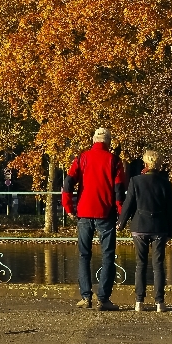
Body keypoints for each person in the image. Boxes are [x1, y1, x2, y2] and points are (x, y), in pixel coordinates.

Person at [62, 127, 127, 310]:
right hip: (105, 213)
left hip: (84, 212)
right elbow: (119, 190)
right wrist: (121, 213)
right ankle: (103, 299)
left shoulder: (82, 158)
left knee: (84, 255)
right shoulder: (114, 160)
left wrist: (68, 206)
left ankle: (86, 296)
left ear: (93, 140)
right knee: (107, 255)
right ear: (108, 142)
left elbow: (68, 182)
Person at [117, 149, 172, 312]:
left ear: (145, 163)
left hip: (139, 226)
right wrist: (171, 229)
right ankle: (159, 302)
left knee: (140, 264)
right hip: (159, 227)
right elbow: (170, 209)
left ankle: (139, 301)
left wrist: (121, 223)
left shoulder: (136, 181)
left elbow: (128, 205)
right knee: (158, 264)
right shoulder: (165, 183)